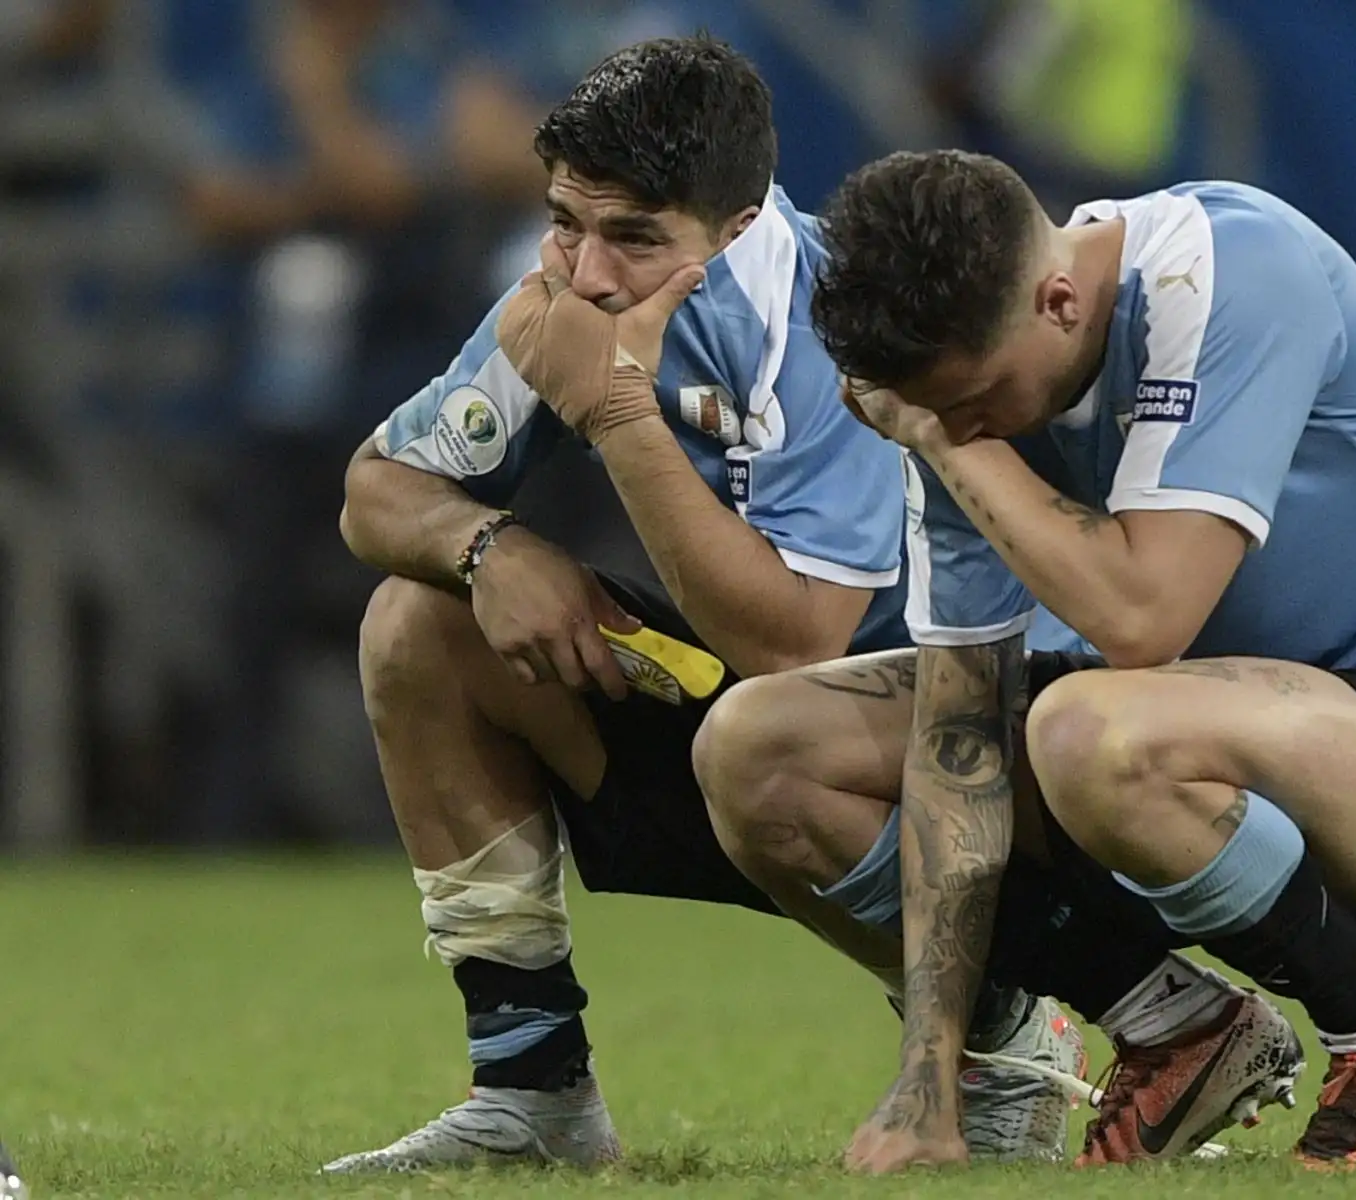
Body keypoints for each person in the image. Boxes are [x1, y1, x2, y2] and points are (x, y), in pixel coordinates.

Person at [696, 149, 1356, 1171]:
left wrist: (945, 440)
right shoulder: (962, 387)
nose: (965, 432)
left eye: (975, 403)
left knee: (1087, 731)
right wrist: (928, 1078)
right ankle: (1177, 1024)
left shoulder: (1233, 274)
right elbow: (958, 737)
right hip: (1169, 734)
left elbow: (1145, 617)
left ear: (1059, 298)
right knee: (761, 750)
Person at [327, 42, 1084, 1173]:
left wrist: (612, 408)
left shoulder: (833, 325)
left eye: (634, 236)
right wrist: (485, 545)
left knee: (760, 735)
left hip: (969, 749)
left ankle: (1003, 1038)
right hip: (764, 730)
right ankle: (531, 1092)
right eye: (566, 221)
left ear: (736, 227)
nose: (587, 271)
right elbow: (374, 490)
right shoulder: (569, 293)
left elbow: (794, 644)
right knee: (415, 623)